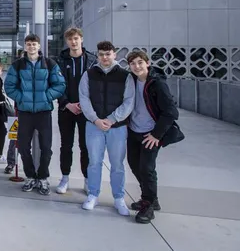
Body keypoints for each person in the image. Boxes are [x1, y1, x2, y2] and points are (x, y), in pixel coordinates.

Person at [4, 34, 65, 196]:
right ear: (25, 47)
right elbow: (9, 86)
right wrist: (22, 98)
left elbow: (60, 85)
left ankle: (43, 177)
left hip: (44, 112)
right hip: (25, 113)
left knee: (46, 148)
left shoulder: (50, 64)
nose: (31, 47)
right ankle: (30, 176)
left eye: (34, 44)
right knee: (23, 147)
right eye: (29, 44)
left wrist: (46, 97)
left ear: (39, 46)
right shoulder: (18, 65)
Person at [79, 41, 135, 215]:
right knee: (94, 162)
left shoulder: (125, 76)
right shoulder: (89, 74)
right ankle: (93, 194)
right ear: (98, 56)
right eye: (101, 54)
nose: (104, 57)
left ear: (114, 55)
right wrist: (95, 119)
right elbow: (84, 98)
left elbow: (129, 101)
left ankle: (118, 198)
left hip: (117, 128)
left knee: (117, 164)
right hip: (93, 126)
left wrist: (111, 120)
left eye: (108, 54)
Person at [126, 50, 180, 224]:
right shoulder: (131, 80)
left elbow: (171, 112)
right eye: (133, 63)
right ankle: (150, 199)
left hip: (150, 133)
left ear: (147, 63)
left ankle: (148, 205)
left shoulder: (157, 83)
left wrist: (156, 135)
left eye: (140, 62)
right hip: (133, 131)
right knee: (134, 165)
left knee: (147, 169)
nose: (137, 66)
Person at [54, 27, 96, 195]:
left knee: (86, 146)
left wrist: (86, 105)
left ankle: (87, 179)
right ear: (67, 42)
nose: (74, 42)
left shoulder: (92, 60)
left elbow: (96, 86)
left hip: (87, 111)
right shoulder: (60, 61)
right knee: (66, 145)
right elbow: (56, 85)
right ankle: (65, 178)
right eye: (70, 39)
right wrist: (66, 103)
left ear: (82, 39)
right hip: (66, 109)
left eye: (76, 38)